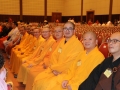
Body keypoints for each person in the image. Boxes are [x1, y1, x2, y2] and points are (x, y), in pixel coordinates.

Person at [32, 21, 84, 90]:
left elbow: (70, 63)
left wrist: (56, 69)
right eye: (65, 28)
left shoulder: (78, 45)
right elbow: (54, 55)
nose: (67, 30)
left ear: (74, 31)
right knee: (38, 79)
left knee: (46, 86)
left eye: (70, 28)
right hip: (55, 69)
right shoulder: (62, 41)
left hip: (66, 73)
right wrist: (54, 68)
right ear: (63, 30)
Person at [25, 26, 64, 90]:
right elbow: (47, 54)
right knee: (32, 71)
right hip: (46, 63)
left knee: (35, 74)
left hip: (52, 67)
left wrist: (47, 64)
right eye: (55, 31)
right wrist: (44, 62)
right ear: (53, 33)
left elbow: (59, 59)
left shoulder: (59, 42)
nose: (57, 33)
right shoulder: (55, 42)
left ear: (63, 32)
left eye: (59, 31)